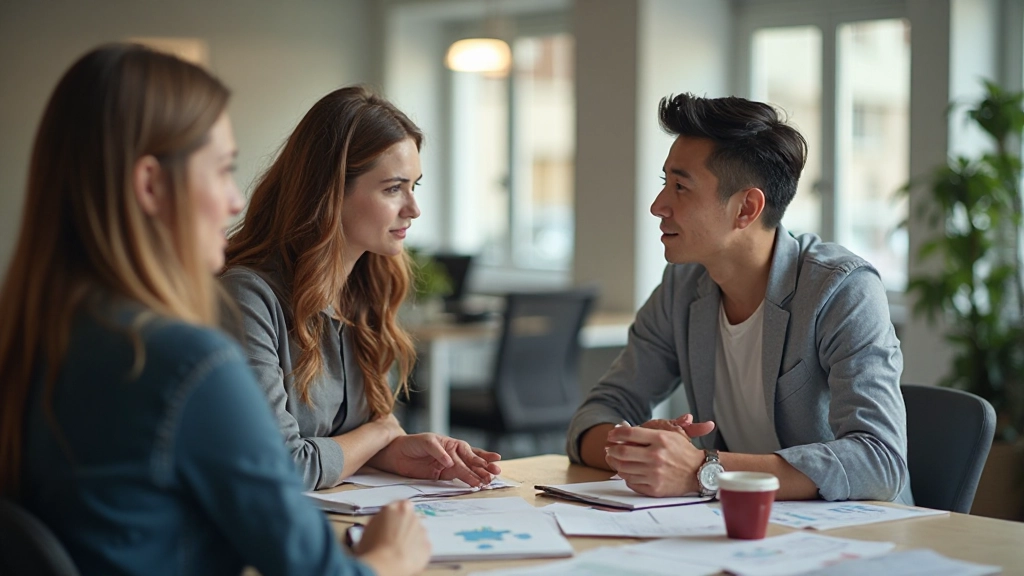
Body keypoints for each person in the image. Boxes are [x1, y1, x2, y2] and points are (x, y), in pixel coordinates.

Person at [0, 44, 429, 576]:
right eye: (222, 170)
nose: (234, 201)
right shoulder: (185, 362)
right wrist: (391, 557)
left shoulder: (40, 332)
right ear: (151, 185)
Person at [567, 93, 910, 504]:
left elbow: (879, 462)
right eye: (664, 184)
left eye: (680, 187)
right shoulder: (682, 286)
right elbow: (596, 415)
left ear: (746, 208)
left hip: (852, 533)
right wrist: (640, 449)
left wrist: (702, 469)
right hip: (732, 525)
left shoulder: (841, 290)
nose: (658, 206)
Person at [221, 85, 502, 492]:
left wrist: (393, 450)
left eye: (414, 186)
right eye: (393, 188)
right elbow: (281, 467)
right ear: (330, 193)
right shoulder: (246, 298)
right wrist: (382, 432)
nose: (413, 209)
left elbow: (339, 439)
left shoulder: (366, 291)